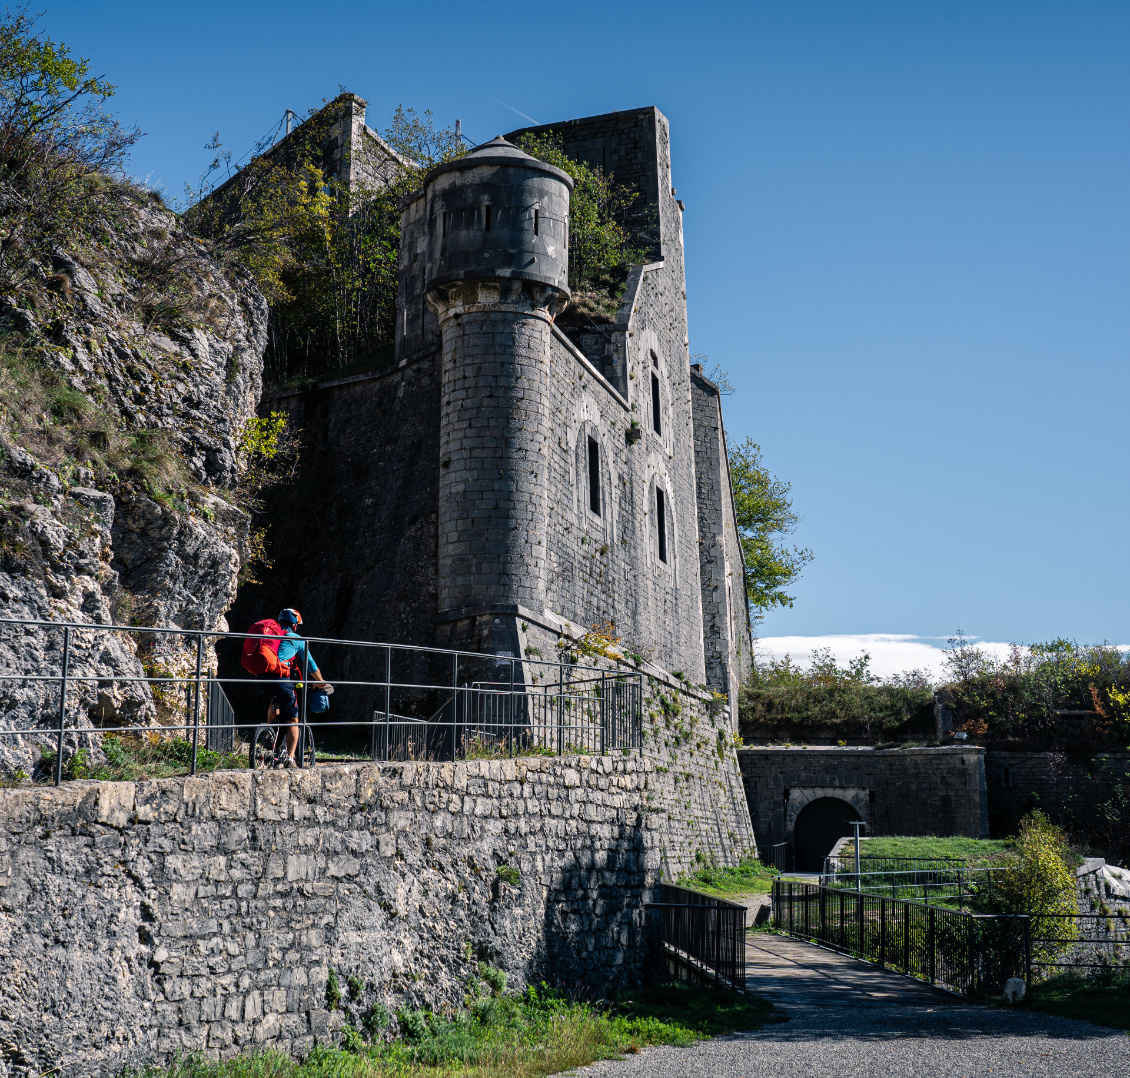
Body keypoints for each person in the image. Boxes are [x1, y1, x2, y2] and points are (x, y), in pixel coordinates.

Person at [268, 608, 330, 767]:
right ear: (295, 625)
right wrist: (321, 681)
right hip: (281, 677)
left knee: (276, 702)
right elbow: (311, 666)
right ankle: (289, 758)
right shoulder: (295, 638)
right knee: (293, 719)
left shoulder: (271, 634)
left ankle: (268, 737)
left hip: (260, 677)